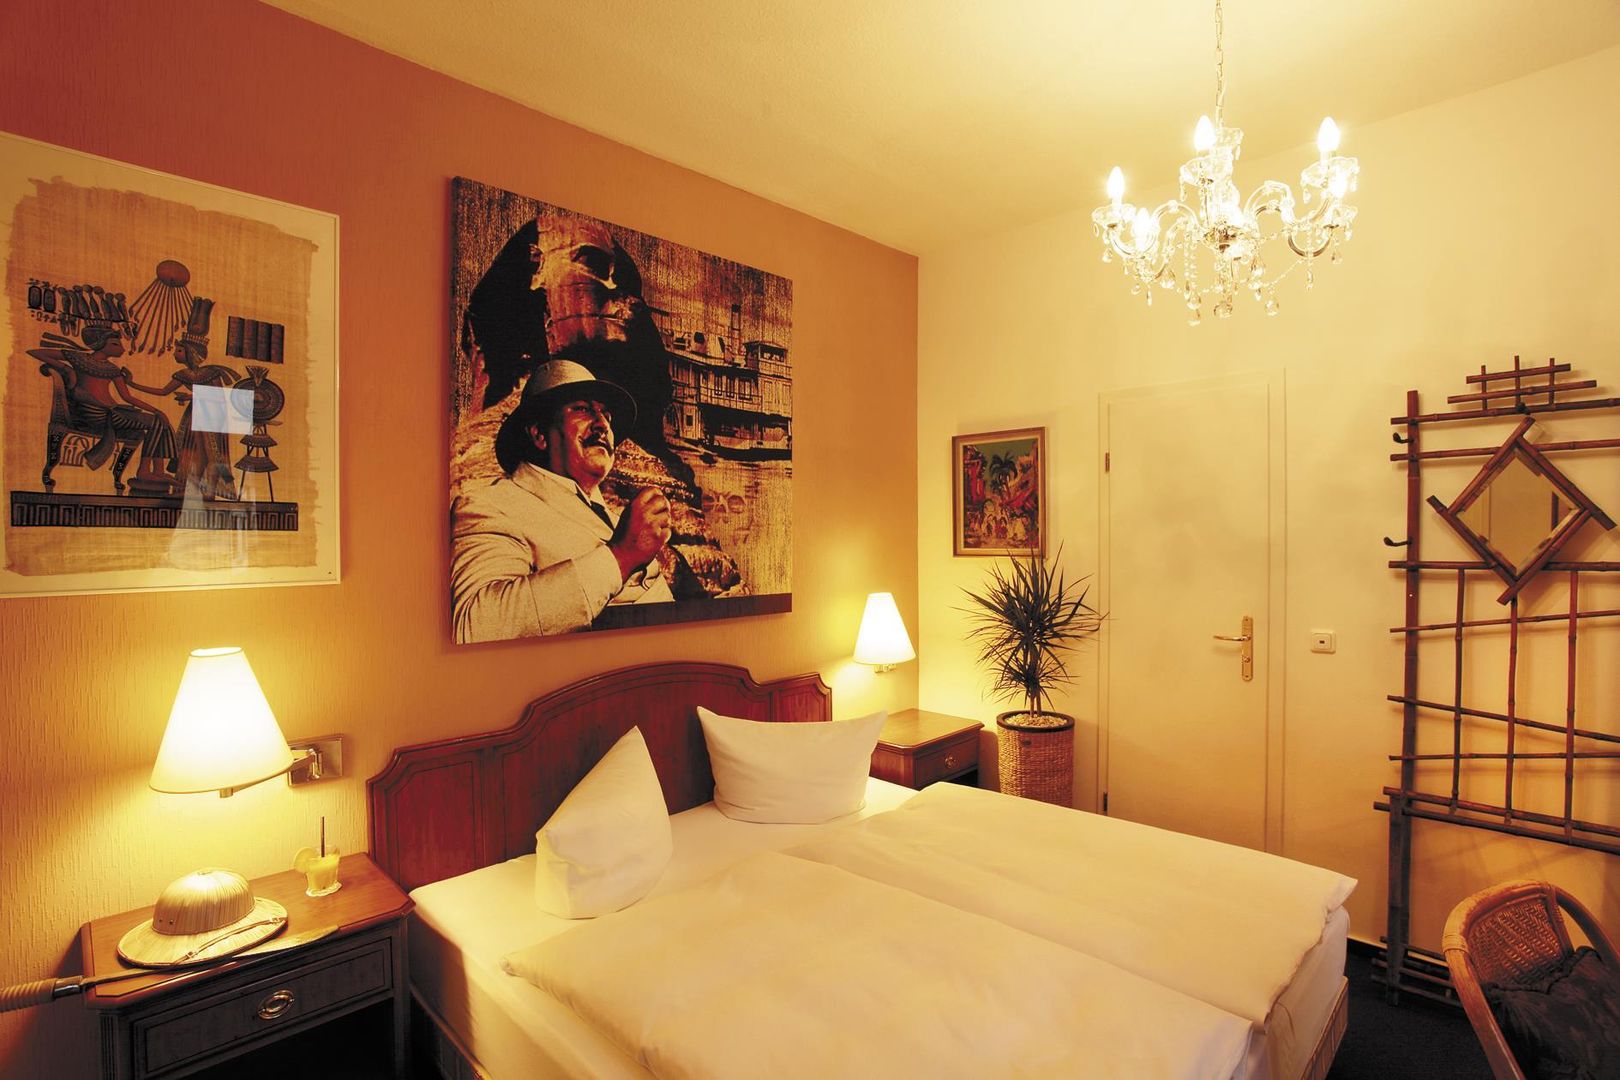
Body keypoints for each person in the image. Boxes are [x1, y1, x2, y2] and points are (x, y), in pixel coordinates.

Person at [451, 359, 674, 643]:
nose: (602, 425)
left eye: (606, 414)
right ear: (539, 435)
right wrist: (621, 557)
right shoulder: (491, 505)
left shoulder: (618, 523)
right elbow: (473, 626)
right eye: (582, 409)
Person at [28, 324, 179, 495]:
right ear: (100, 344)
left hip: (112, 413)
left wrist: (157, 411)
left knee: (160, 420)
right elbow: (35, 352)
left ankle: (157, 471)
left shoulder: (113, 369)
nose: (121, 348)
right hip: (91, 413)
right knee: (156, 421)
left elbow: (127, 397)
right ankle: (144, 471)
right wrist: (66, 368)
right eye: (115, 344)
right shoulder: (78, 357)